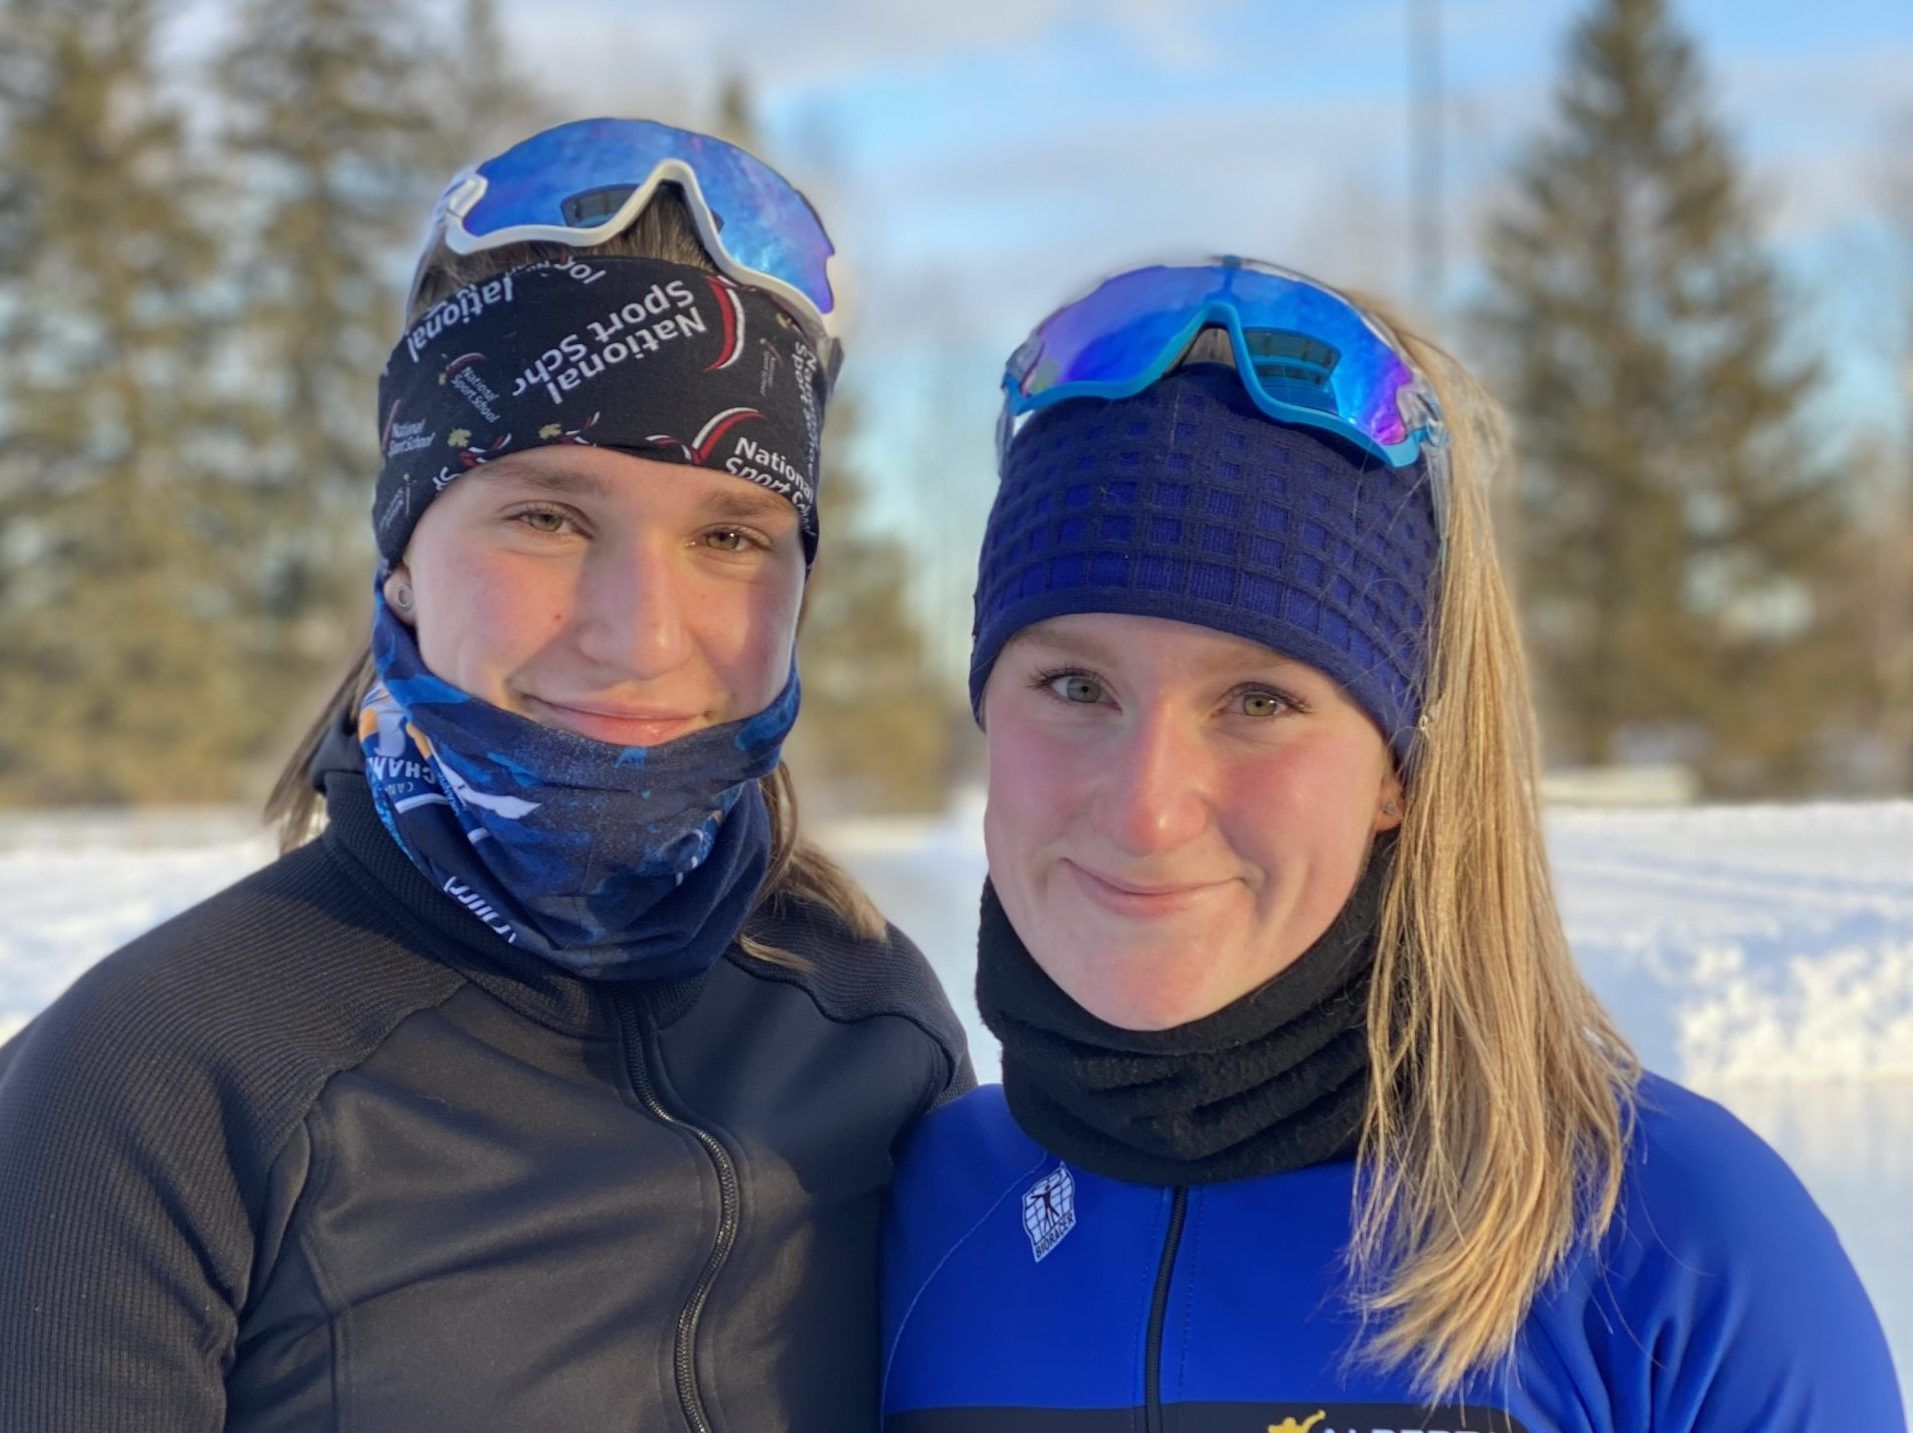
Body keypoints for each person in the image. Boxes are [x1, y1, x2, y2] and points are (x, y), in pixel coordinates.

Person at [0, 117, 970, 1431]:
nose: (642, 634)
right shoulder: (157, 1079)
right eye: (549, 515)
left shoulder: (870, 1019)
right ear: (401, 552)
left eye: (733, 535)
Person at [881, 258, 1903, 1430]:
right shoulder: (912, 1209)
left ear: (1397, 774)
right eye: (1072, 682)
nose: (1145, 808)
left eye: (1259, 700)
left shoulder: (1669, 1241)